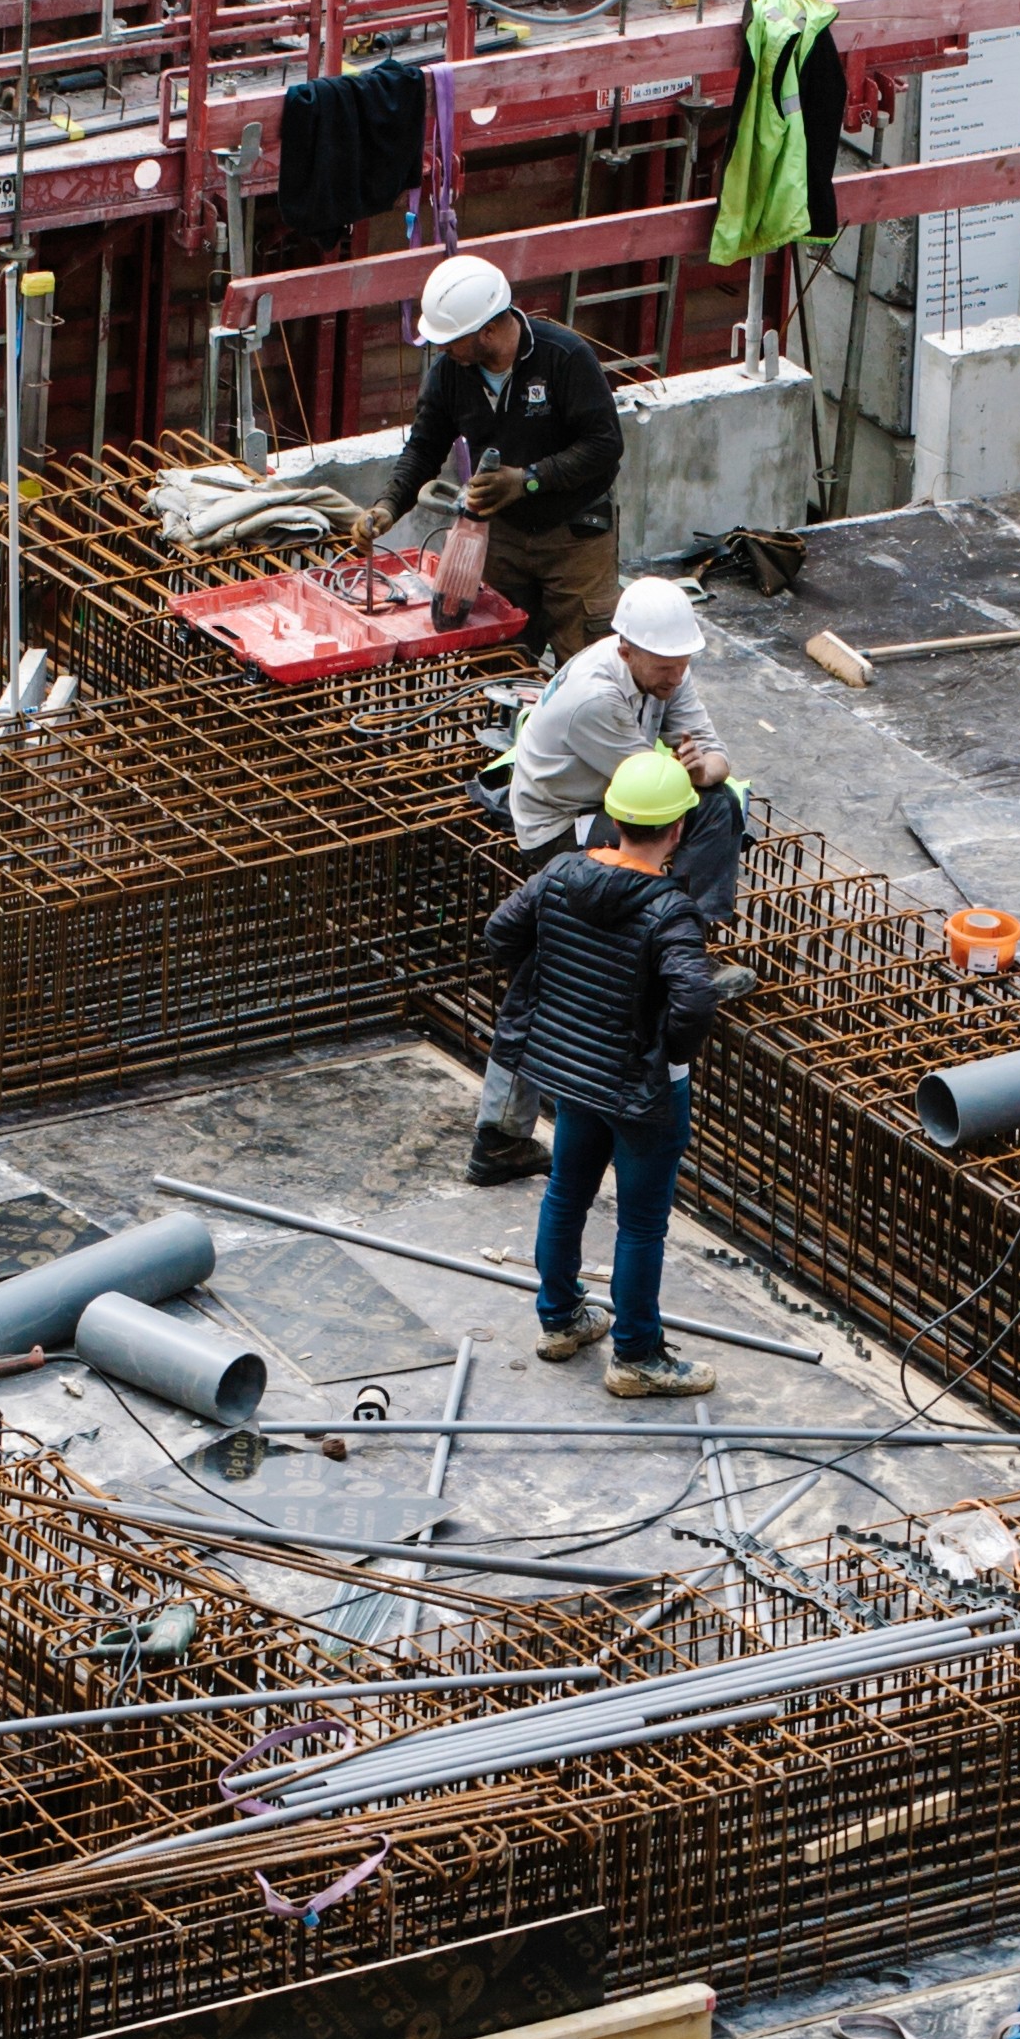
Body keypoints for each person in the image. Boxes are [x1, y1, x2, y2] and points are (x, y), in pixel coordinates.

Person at [464, 574, 753, 1185]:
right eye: (666, 666)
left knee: (720, 803)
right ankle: (675, 951)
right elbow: (653, 801)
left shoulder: (666, 663)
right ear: (625, 647)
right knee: (541, 979)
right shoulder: (597, 696)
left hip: (608, 808)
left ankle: (683, 948)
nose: (677, 677)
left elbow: (714, 765)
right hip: (559, 830)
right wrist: (696, 777)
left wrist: (707, 767)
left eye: (683, 664)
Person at [484, 747, 724, 1398]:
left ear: (614, 816)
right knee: (642, 1221)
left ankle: (560, 1319)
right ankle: (636, 1354)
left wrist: (556, 995)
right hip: (643, 1088)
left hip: (574, 1071)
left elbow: (501, 934)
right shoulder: (667, 907)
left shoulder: (561, 873)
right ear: (677, 829)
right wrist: (665, 1050)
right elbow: (695, 1000)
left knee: (567, 1191)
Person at [374, 253, 627, 658]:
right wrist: (389, 505)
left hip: (574, 536)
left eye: (449, 339)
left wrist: (527, 480)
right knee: (496, 662)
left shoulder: (563, 358)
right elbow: (424, 447)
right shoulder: (450, 375)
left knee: (587, 664)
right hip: (501, 540)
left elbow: (604, 445)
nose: (441, 348)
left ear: (488, 331)